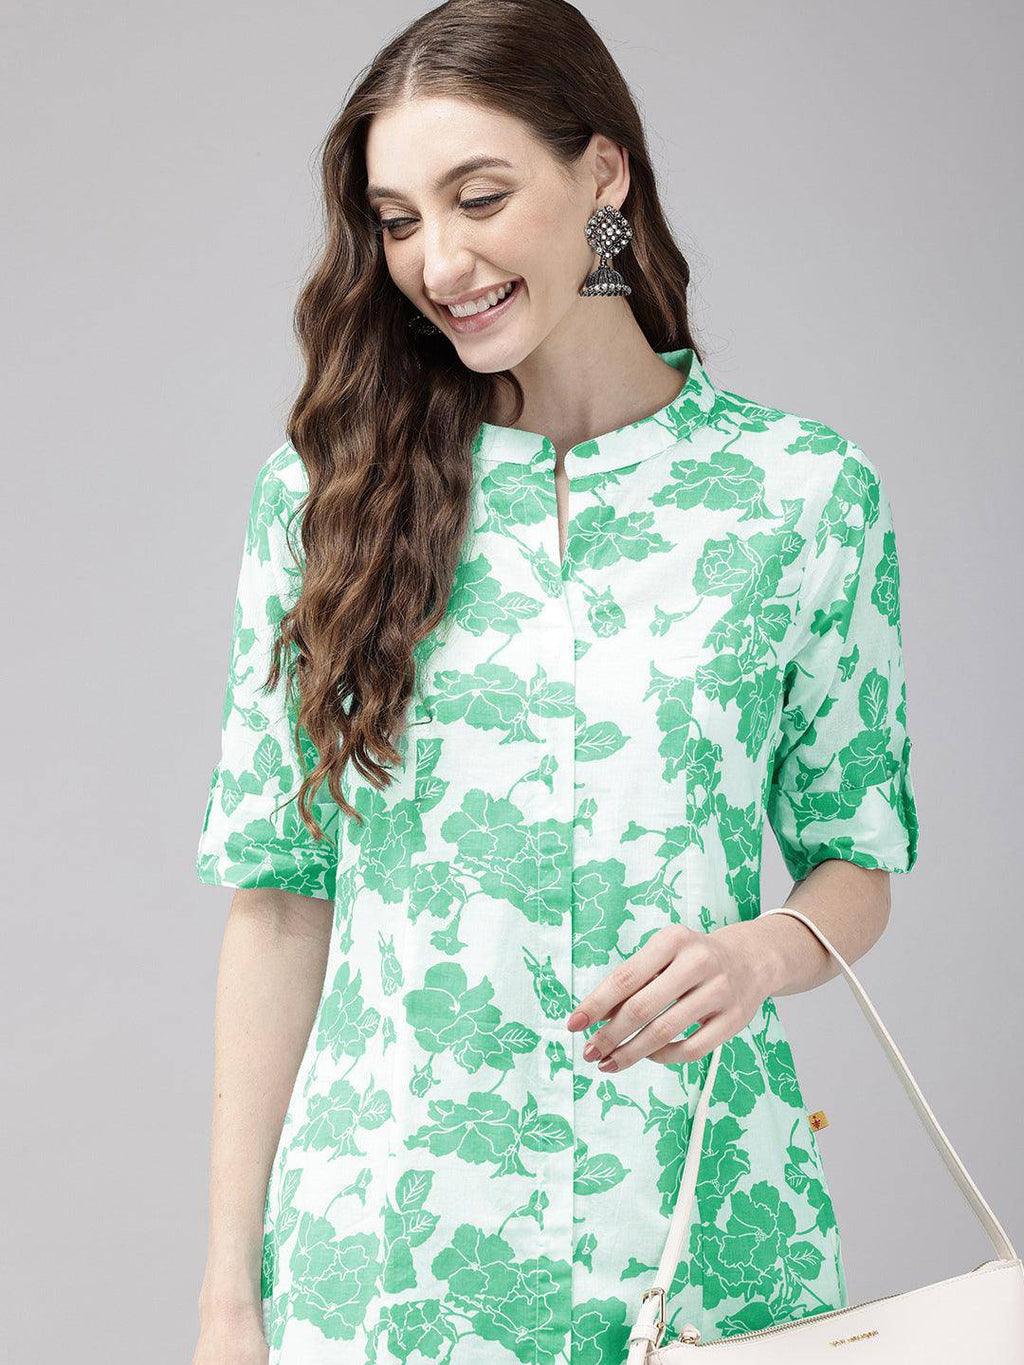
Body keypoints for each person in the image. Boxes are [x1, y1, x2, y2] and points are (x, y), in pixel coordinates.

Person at [191, 1, 919, 1361]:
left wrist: (758, 953)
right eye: (398, 220)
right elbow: (280, 903)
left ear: (604, 175)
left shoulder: (800, 493)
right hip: (394, 1266)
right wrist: (230, 1300)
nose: (439, 261)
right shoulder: (323, 502)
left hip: (707, 1234)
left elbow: (856, 857)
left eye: (480, 198)